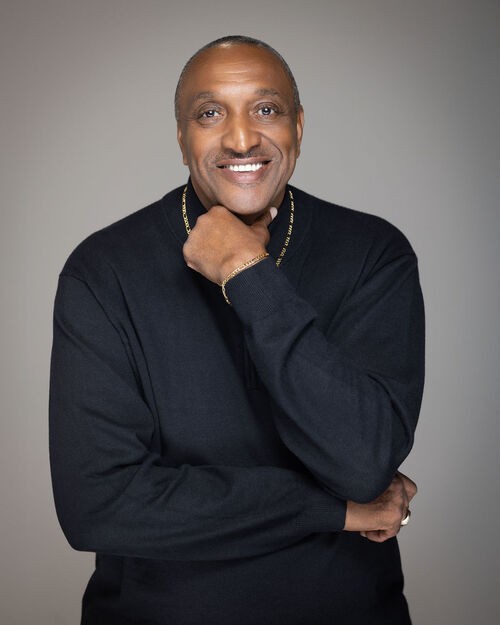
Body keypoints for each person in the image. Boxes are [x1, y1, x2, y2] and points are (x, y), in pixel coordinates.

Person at [49, 35, 424, 625]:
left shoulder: (373, 254)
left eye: (266, 109)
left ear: (299, 127)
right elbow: (99, 506)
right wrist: (336, 511)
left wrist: (248, 275)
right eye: (210, 113)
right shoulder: (103, 271)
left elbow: (362, 464)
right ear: (181, 138)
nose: (242, 138)